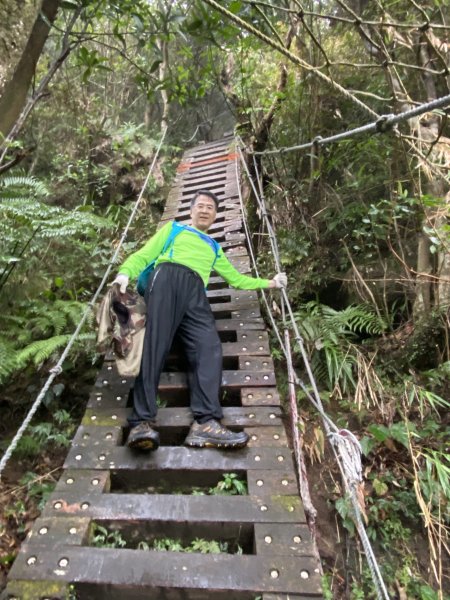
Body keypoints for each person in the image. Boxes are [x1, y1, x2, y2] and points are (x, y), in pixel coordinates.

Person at [112, 189, 287, 451]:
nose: (205, 210)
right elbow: (145, 255)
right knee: (155, 345)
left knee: (209, 347)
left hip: (196, 292)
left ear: (215, 216)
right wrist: (125, 273)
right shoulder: (174, 230)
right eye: (201, 206)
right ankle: (142, 423)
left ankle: (205, 424)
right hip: (167, 278)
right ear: (191, 210)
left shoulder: (214, 247)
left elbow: (236, 280)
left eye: (210, 208)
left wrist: (270, 283)